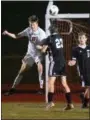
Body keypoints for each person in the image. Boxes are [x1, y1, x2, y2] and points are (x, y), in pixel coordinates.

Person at [2, 15, 46, 95]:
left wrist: (40, 47)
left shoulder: (42, 33)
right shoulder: (28, 30)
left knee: (40, 69)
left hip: (38, 54)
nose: (31, 26)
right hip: (30, 54)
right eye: (30, 24)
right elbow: (16, 36)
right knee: (21, 71)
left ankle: (42, 89)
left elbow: (44, 47)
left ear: (37, 23)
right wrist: (7, 33)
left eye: (33, 24)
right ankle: (12, 89)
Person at [40, 24, 74, 110]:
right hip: (62, 62)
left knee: (51, 83)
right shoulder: (60, 37)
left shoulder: (49, 38)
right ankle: (70, 103)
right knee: (64, 84)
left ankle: (50, 102)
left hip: (54, 63)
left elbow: (43, 50)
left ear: (51, 31)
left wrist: (43, 49)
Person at [68, 32, 90, 108]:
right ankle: (85, 102)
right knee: (88, 87)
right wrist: (71, 63)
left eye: (83, 38)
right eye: (80, 38)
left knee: (88, 87)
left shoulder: (89, 48)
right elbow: (74, 60)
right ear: (78, 39)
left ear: (86, 39)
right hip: (83, 71)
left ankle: (84, 99)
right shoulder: (75, 49)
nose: (81, 39)